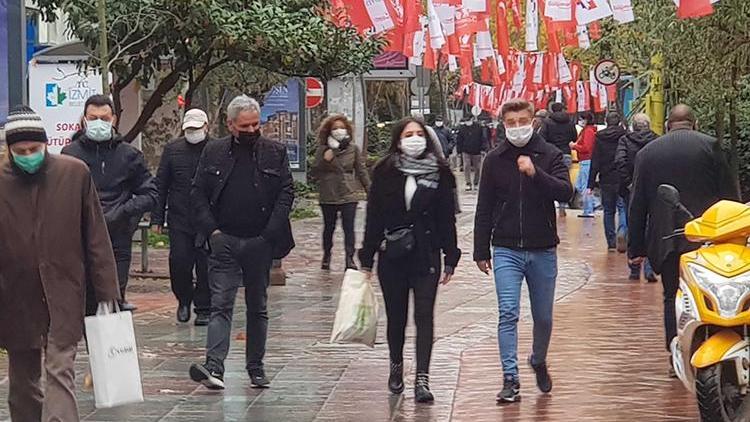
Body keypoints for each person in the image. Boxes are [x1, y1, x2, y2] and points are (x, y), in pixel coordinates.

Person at [0, 106, 120, 421]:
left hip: (64, 291)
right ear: (9, 150)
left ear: (45, 144)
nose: (28, 156)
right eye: (20, 151)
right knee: (23, 380)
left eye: (34, 149)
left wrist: (108, 292)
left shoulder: (74, 174)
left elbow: (96, 235)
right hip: (15, 297)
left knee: (59, 370)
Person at [189, 95, 295, 390]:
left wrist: (269, 235)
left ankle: (256, 367)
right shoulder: (214, 152)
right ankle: (214, 366)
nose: (251, 130)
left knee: (257, 306)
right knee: (220, 303)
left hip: (260, 241)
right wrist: (212, 232)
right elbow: (197, 193)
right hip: (225, 239)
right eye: (244, 126)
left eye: (255, 124)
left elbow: (286, 193)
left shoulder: (275, 152)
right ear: (230, 124)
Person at [474, 99, 573, 403]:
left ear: (533, 121)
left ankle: (538, 359)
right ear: (503, 124)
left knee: (543, 316)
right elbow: (484, 206)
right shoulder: (494, 159)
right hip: (506, 248)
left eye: (522, 120)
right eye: (511, 122)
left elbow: (566, 192)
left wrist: (535, 173)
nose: (517, 127)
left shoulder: (550, 154)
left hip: (542, 247)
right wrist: (481, 249)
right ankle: (510, 378)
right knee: (508, 312)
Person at [628, 105, 737, 375]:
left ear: (667, 125)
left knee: (671, 296)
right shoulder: (711, 146)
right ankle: (714, 347)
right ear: (695, 123)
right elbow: (729, 195)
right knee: (712, 294)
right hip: (708, 238)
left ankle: (675, 352)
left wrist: (636, 248)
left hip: (666, 239)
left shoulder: (647, 153)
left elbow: (637, 203)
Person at [359, 117, 461, 403]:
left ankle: (422, 379)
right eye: (408, 134)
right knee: (397, 317)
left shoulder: (439, 172)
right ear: (398, 139)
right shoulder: (385, 171)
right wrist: (366, 257)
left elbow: (446, 218)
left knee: (424, 316)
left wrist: (451, 255)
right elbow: (373, 217)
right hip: (392, 255)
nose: (414, 138)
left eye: (419, 134)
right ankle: (396, 366)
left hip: (426, 253)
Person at [62, 95, 157, 312]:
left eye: (104, 118)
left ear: (113, 119)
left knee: (112, 299)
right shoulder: (70, 154)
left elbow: (150, 193)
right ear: (84, 119)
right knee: (86, 301)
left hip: (117, 238)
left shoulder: (129, 155)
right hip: (81, 238)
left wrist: (125, 213)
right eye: (93, 118)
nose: (99, 123)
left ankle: (109, 345)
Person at [152, 109, 213, 325]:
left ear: (206, 127)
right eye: (190, 129)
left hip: (208, 218)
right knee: (179, 262)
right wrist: (157, 218)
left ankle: (204, 307)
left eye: (197, 129)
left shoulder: (216, 149)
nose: (193, 133)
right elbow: (161, 185)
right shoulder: (173, 150)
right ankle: (184, 300)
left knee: (206, 265)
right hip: (180, 216)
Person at [310, 114, 370, 271]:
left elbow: (361, 171)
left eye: (342, 127)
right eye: (335, 128)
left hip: (348, 193)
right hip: (328, 194)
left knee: (348, 228)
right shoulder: (323, 149)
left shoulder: (353, 149)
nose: (339, 130)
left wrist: (370, 191)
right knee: (329, 227)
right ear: (329, 131)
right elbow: (314, 173)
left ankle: (349, 258)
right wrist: (325, 160)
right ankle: (326, 255)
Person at [615, 113, 658, 282]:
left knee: (633, 224)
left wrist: (629, 183)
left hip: (631, 191)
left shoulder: (625, 141)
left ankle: (634, 267)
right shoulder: (657, 140)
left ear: (633, 126)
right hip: (652, 190)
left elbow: (620, 161)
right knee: (651, 227)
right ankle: (649, 268)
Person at [588, 112, 630, 254]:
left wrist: (590, 183)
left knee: (608, 211)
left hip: (606, 179)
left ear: (606, 122)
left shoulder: (600, 138)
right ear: (619, 122)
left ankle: (611, 243)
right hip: (622, 178)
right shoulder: (625, 136)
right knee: (623, 208)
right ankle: (623, 231)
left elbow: (595, 161)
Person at [540, 103, 577, 217]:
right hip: (566, 153)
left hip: (551, 154)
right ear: (563, 109)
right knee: (563, 179)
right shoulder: (570, 122)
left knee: (548, 178)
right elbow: (574, 137)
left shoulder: (547, 122)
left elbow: (542, 137)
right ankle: (562, 206)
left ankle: (548, 205)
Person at [570, 112, 597, 218]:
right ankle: (592, 204)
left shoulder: (588, 131)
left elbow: (586, 147)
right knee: (579, 185)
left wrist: (575, 146)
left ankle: (589, 209)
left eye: (582, 119)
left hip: (586, 161)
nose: (580, 121)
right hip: (583, 161)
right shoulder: (585, 131)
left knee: (585, 186)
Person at [456, 117, 488, 191]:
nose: (467, 122)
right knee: (466, 166)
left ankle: (476, 183)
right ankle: (468, 183)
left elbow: (483, 138)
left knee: (477, 167)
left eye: (468, 120)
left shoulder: (478, 127)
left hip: (477, 151)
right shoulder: (462, 129)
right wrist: (459, 151)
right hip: (465, 151)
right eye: (466, 121)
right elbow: (459, 140)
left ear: (472, 120)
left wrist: (483, 149)